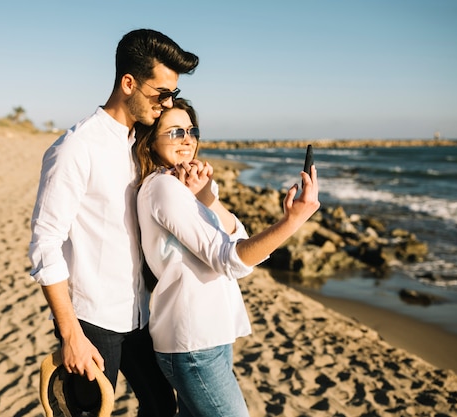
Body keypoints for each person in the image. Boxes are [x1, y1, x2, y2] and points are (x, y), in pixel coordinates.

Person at [28, 29, 198, 416]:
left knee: (159, 405)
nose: (167, 103)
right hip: (92, 319)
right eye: (160, 93)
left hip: (139, 312)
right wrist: (71, 335)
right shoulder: (75, 148)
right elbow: (45, 244)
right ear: (128, 83)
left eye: (172, 94)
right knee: (89, 413)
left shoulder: (138, 143)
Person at [134, 98, 320, 417]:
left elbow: (240, 239)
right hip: (193, 343)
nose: (187, 139)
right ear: (150, 140)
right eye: (175, 132)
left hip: (210, 338)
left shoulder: (180, 186)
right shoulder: (163, 188)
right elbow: (231, 260)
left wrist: (206, 197)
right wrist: (293, 221)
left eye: (191, 130)